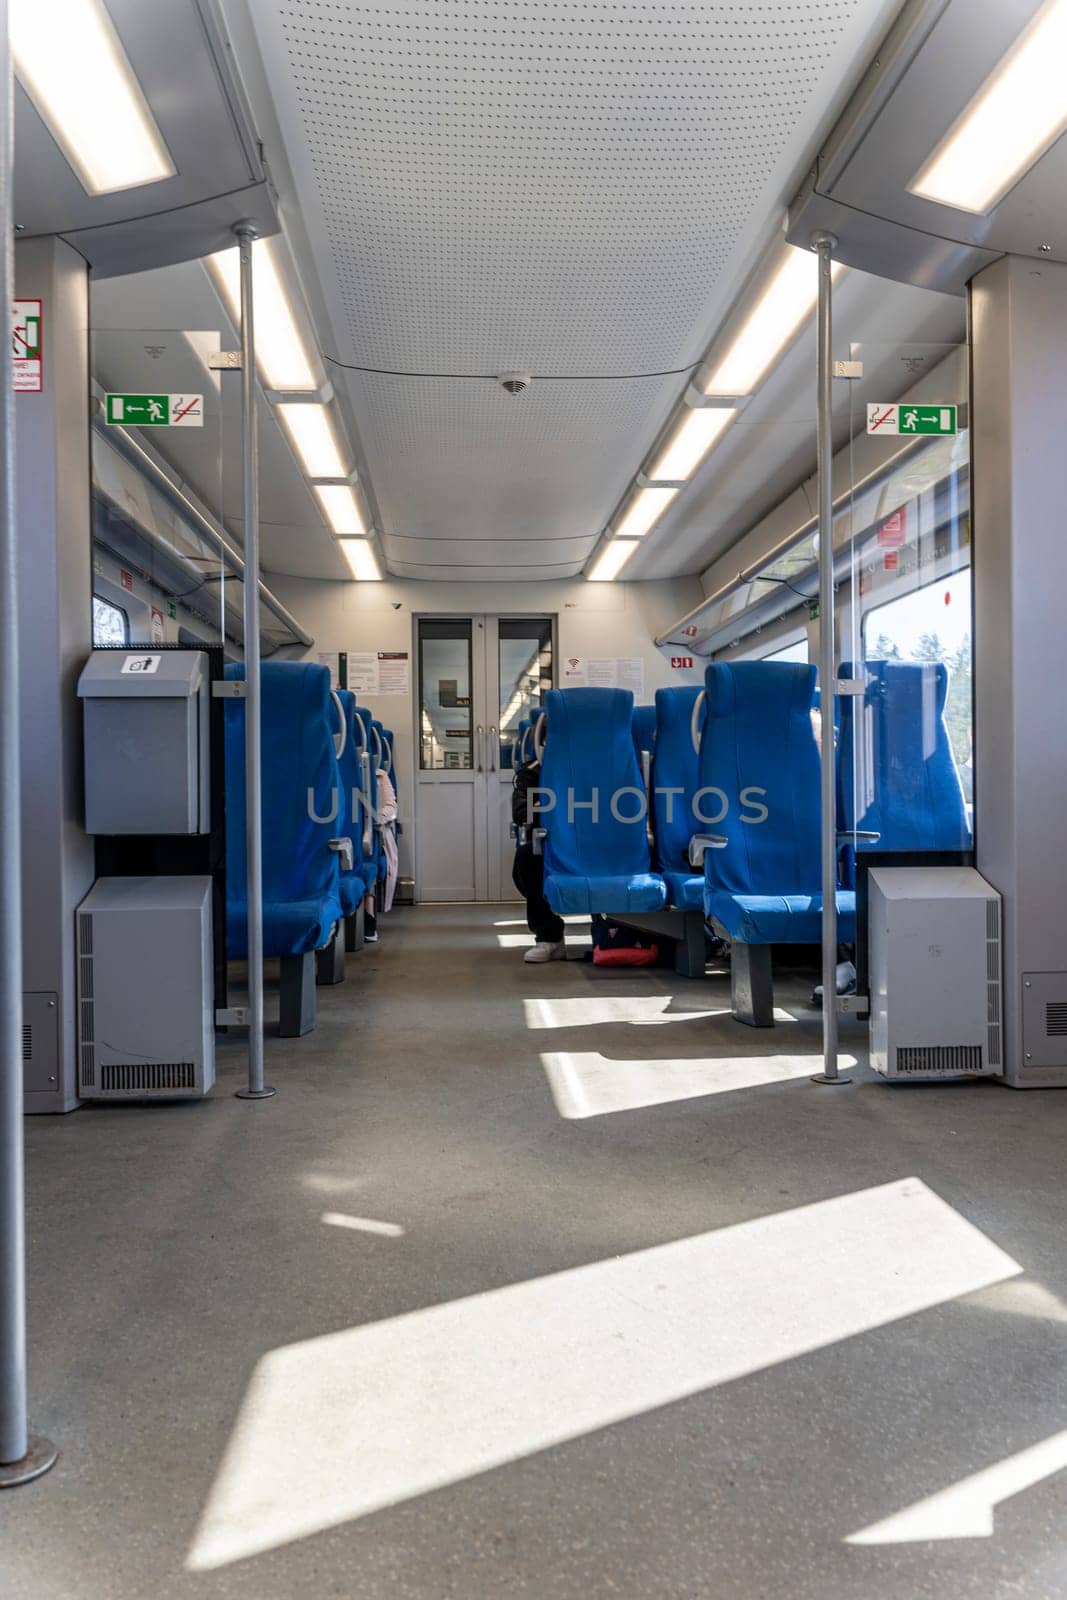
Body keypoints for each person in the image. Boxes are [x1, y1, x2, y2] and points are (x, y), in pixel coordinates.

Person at [511, 718, 565, 963]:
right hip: (550, 842)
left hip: (595, 841)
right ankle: (549, 935)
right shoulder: (532, 772)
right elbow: (522, 813)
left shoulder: (603, 766)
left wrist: (546, 804)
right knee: (526, 859)